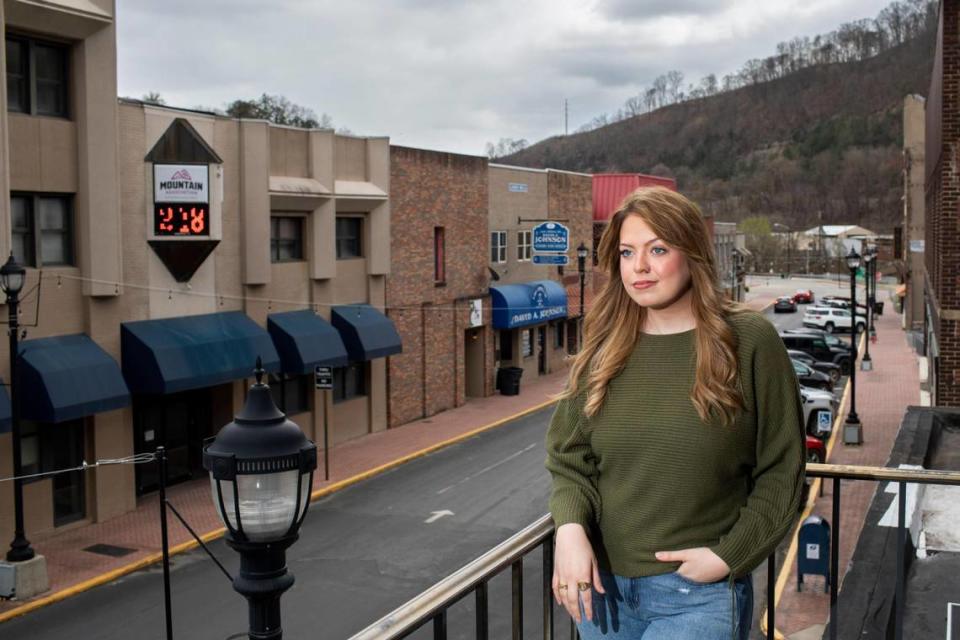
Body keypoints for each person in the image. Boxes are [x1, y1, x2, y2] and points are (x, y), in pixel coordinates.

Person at [545, 187, 805, 639]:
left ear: (692, 255)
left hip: (696, 596)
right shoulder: (606, 344)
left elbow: (782, 468)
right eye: (627, 252)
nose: (639, 267)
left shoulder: (748, 341)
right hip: (602, 595)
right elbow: (570, 458)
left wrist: (728, 557)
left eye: (657, 249)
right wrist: (569, 530)